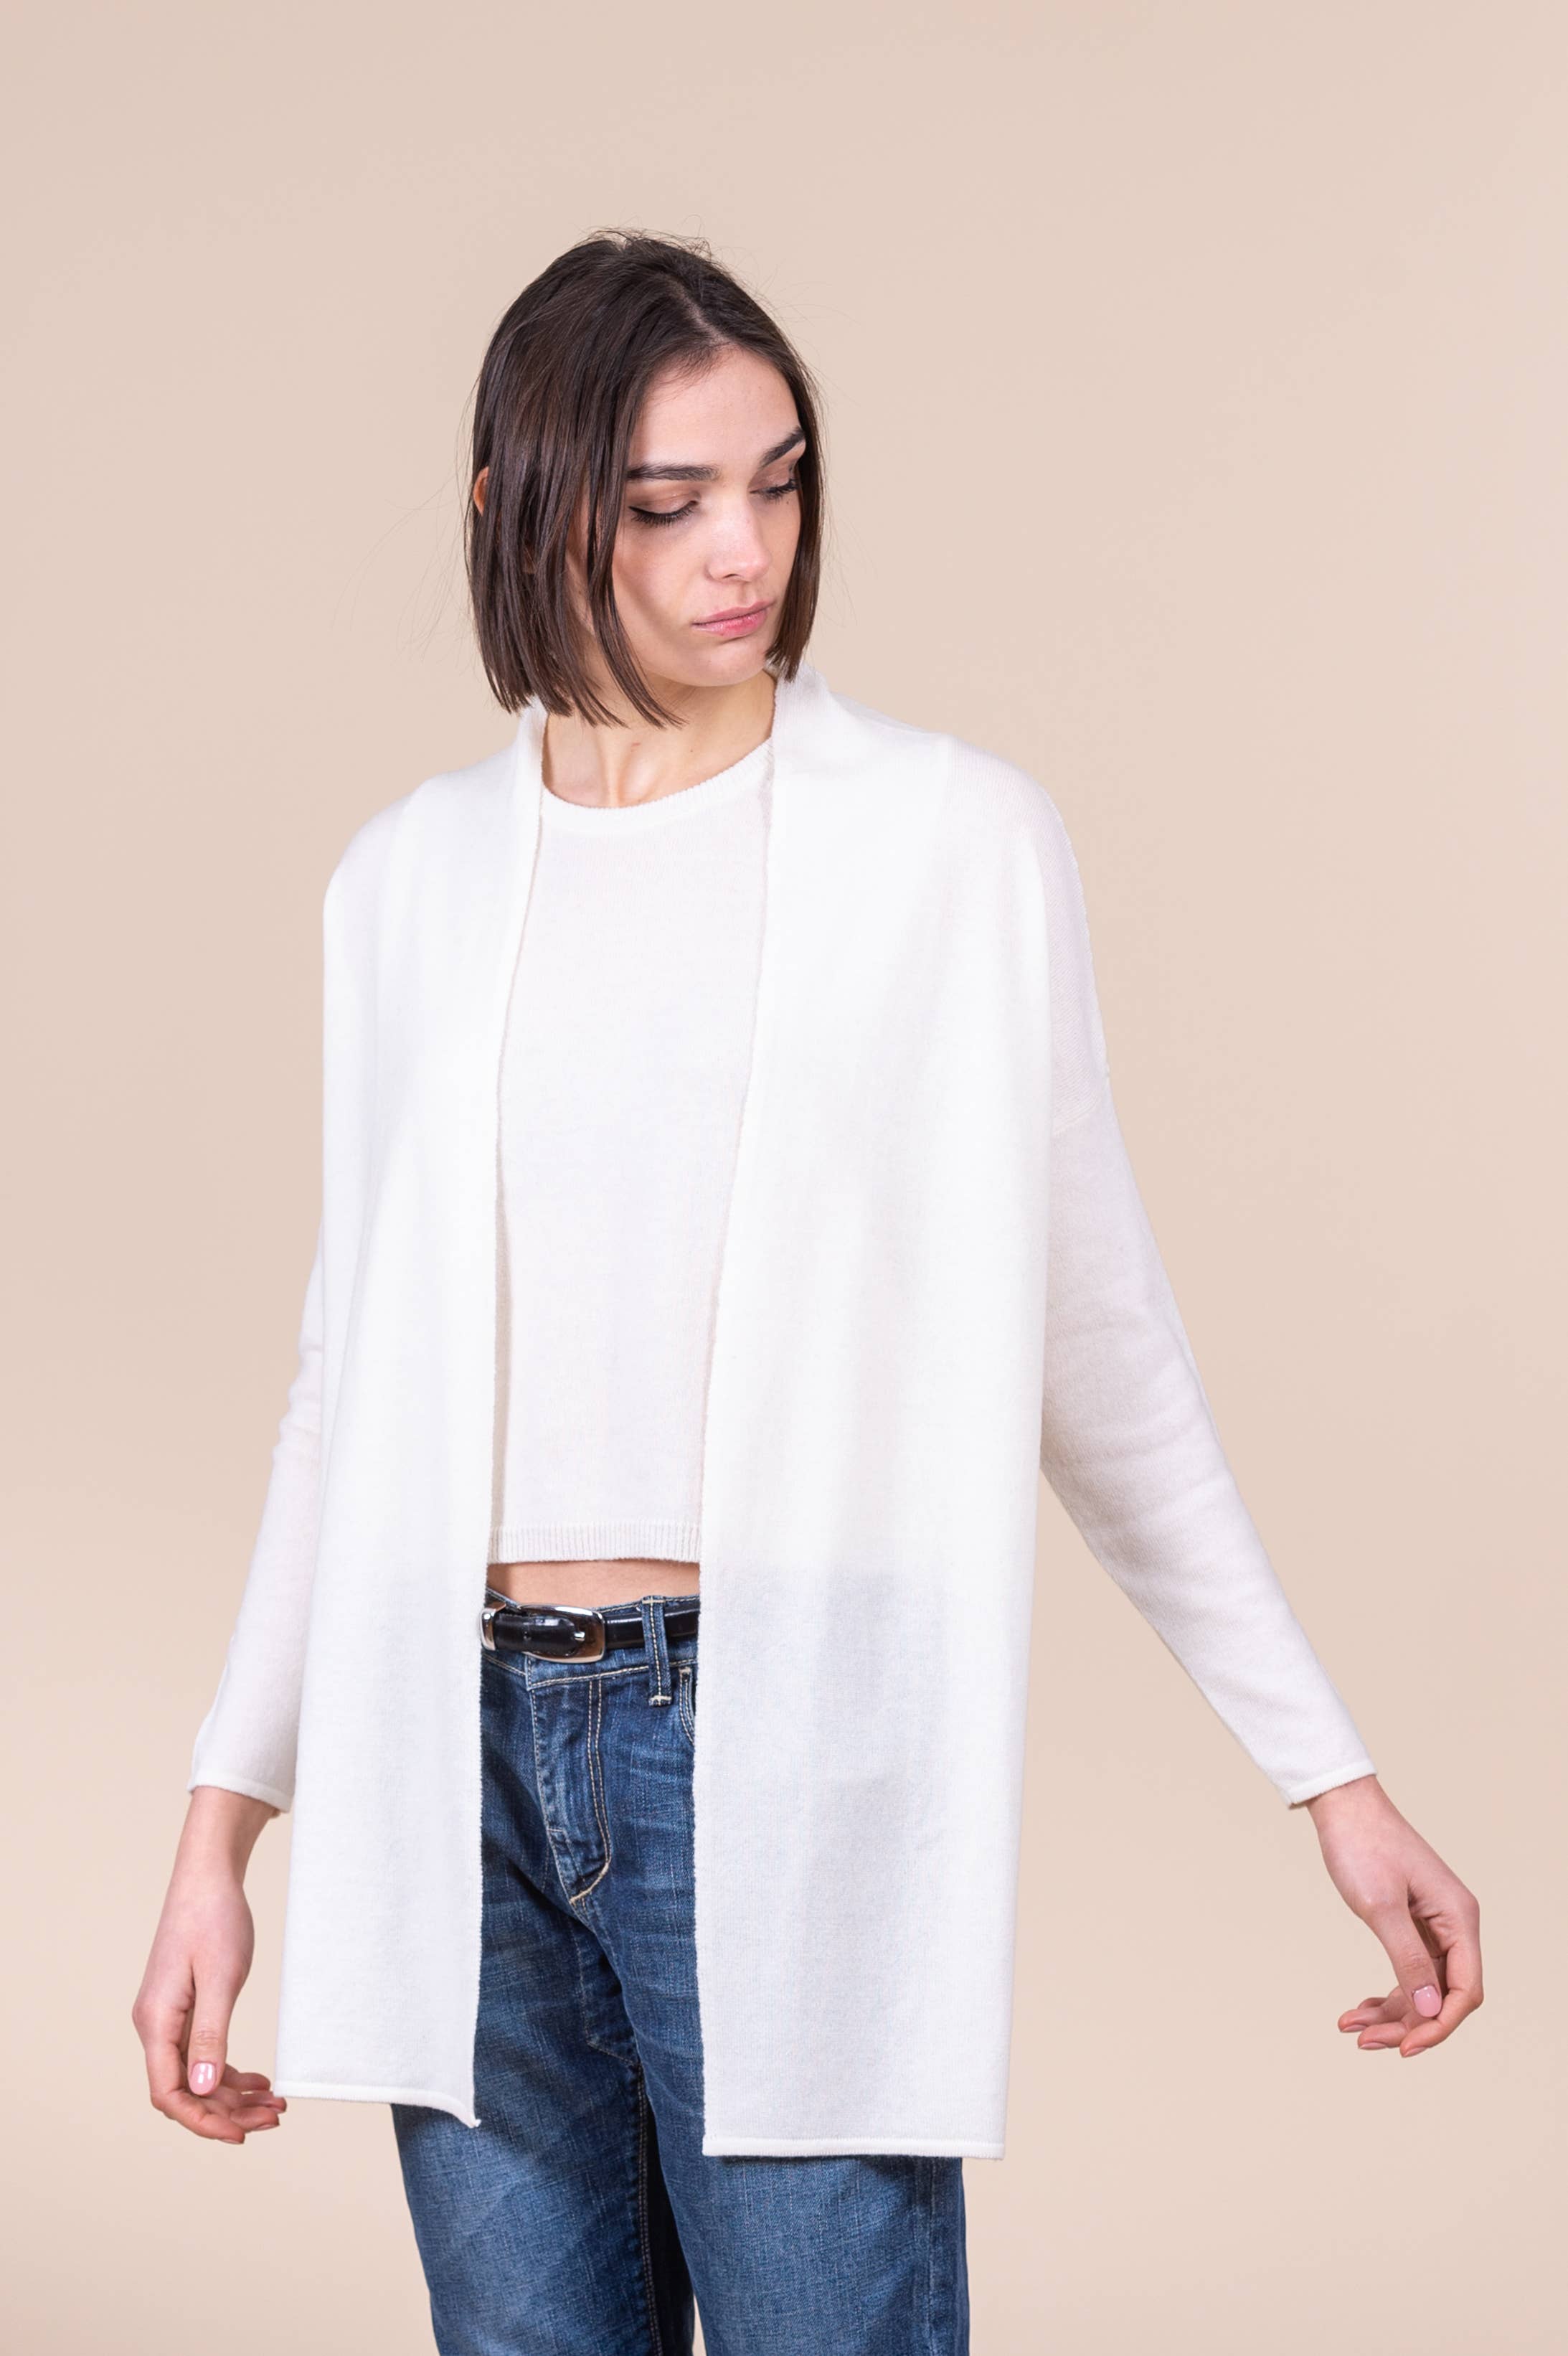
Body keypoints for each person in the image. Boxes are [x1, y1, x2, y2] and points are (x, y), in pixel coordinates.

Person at [133, 230, 1483, 2356]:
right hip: (444, 1756)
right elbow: (349, 1382)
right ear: (515, 507)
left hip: (775, 1735)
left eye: (775, 484)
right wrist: (223, 1831)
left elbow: (1094, 1344)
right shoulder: (404, 882)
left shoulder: (946, 846)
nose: (741, 552)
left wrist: (1329, 1771)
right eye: (667, 504)